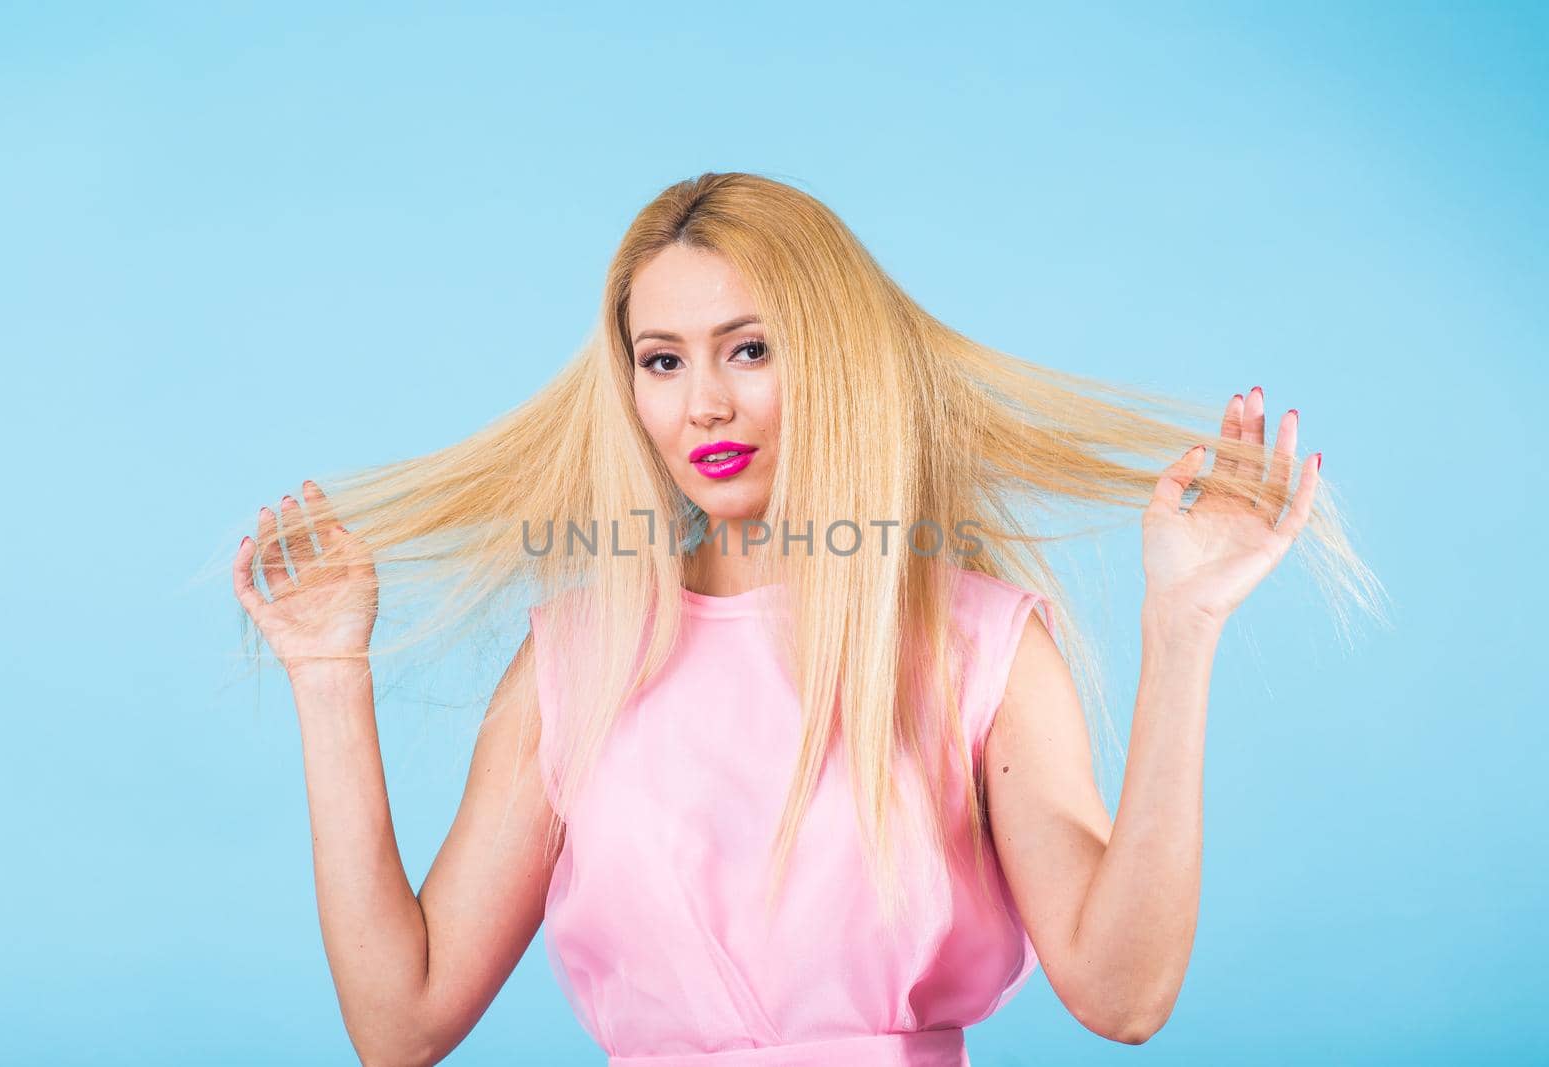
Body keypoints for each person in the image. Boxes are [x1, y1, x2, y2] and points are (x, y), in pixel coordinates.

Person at [229, 172, 1377, 1066]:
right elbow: (401, 1024)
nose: (705, 402)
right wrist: (329, 674)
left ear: (834, 355)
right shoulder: (574, 661)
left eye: (750, 348)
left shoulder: (978, 645)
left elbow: (1124, 994)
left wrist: (1183, 624)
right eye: (662, 360)